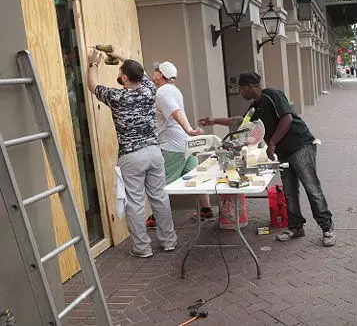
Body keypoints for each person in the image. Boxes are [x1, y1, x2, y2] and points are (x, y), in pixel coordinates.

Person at [198, 71, 336, 246]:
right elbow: (241, 123)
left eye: (241, 89)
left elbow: (287, 118)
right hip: (283, 152)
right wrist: (214, 121)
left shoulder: (272, 95)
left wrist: (271, 143)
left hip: (300, 146)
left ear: (250, 87)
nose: (240, 93)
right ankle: (295, 227)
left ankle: (327, 227)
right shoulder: (254, 108)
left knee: (311, 187)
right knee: (289, 191)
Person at [87, 49, 177, 258]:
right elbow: (141, 72)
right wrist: (118, 54)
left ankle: (142, 248)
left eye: (120, 72)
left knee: (136, 202)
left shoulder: (116, 96)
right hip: (154, 152)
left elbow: (92, 86)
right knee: (160, 197)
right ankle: (169, 241)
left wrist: (93, 64)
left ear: (125, 78)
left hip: (131, 156)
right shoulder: (149, 90)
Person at [145, 61, 214, 229]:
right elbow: (143, 77)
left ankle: (157, 218)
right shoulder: (172, 90)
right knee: (196, 175)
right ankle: (206, 209)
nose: (153, 72)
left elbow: (176, 113)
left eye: (156, 70)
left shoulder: (162, 93)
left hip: (172, 145)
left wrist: (190, 130)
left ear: (160, 75)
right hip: (185, 143)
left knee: (160, 184)